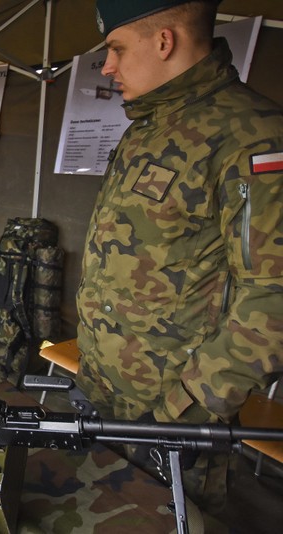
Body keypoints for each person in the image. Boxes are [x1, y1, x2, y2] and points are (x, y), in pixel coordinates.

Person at [76, 0, 283, 516]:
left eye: (116, 49)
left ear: (164, 41)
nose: (108, 67)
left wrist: (184, 414)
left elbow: (272, 298)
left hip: (170, 415)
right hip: (104, 394)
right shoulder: (145, 129)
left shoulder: (251, 135)